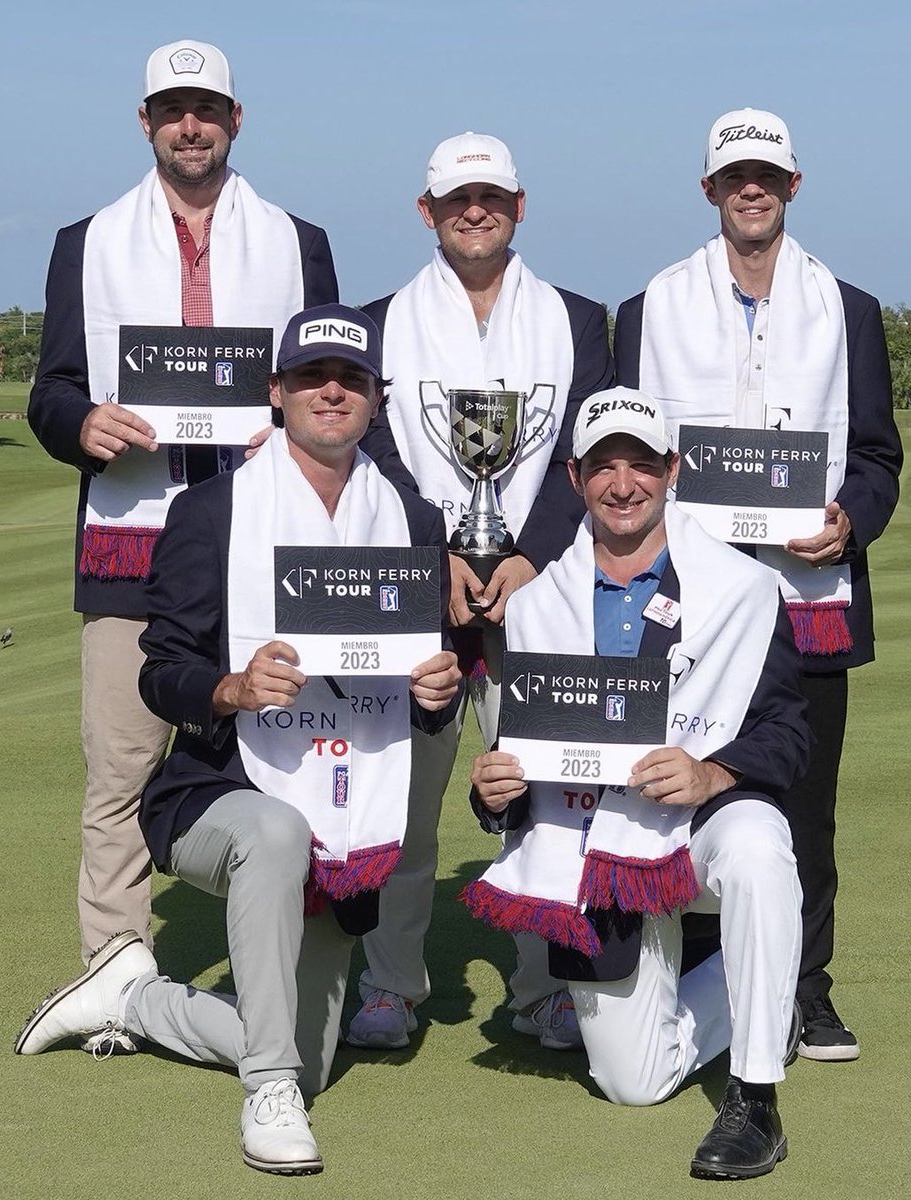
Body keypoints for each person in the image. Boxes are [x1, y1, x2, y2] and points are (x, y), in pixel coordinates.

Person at [16, 305, 462, 1176]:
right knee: (275, 835)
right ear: (275, 393)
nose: (330, 392)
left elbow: (422, 693)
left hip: (346, 809)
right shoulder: (211, 511)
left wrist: (438, 695)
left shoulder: (412, 519)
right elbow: (161, 671)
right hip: (215, 791)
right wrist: (231, 686)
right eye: (309, 378)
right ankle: (267, 1093)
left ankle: (136, 998)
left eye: (351, 380)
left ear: (377, 397)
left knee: (314, 1051)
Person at [27, 40, 338, 997]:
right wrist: (84, 421)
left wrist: (288, 428)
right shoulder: (88, 240)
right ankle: (116, 965)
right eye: (171, 110)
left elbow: (332, 388)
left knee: (279, 757)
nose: (189, 125)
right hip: (132, 543)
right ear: (146, 122)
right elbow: (52, 392)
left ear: (235, 120)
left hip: (262, 542)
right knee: (121, 766)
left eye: (206, 109)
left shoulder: (297, 238)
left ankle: (282, 950)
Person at [613, 108, 902, 1061]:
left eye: (767, 176)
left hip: (808, 604)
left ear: (792, 187)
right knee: (687, 793)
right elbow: (619, 457)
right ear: (709, 189)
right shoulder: (650, 306)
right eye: (735, 175)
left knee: (804, 805)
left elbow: (874, 456)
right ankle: (707, 985)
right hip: (690, 607)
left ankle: (806, 987)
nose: (752, 189)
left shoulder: (847, 307)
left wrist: (850, 518)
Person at [464, 388, 810, 1180]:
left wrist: (712, 771)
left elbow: (789, 734)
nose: (625, 484)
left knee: (759, 847)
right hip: (596, 848)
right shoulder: (536, 606)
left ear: (672, 471)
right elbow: (527, 767)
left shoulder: (741, 590)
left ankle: (756, 1096)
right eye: (604, 467)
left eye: (642, 465)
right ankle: (763, 993)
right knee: (634, 1084)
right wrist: (494, 793)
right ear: (575, 477)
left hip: (700, 825)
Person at [348, 132, 614, 1051]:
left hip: (533, 593)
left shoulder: (579, 319)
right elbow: (371, 451)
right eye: (457, 197)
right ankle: (390, 984)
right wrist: (438, 554)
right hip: (423, 598)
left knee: (539, 791)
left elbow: (585, 454)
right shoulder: (380, 319)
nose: (475, 209)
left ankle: (542, 989)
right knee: (405, 801)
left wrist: (529, 555)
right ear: (426, 211)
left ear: (520, 205)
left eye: (491, 196)